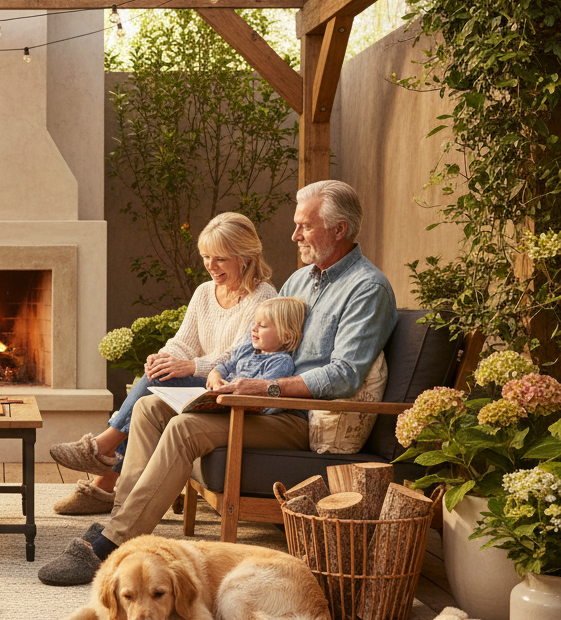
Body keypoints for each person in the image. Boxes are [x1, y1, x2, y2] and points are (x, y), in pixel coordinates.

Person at [39, 180, 398, 586]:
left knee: (184, 427)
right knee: (149, 407)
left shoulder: (367, 289)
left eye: (305, 226)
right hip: (258, 403)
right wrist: (223, 375)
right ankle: (126, 527)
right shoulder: (300, 282)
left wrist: (266, 389)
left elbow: (345, 374)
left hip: (297, 418)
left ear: (340, 230)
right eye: (296, 225)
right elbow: (251, 344)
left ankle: (108, 543)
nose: (294, 235)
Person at [49, 212, 276, 514]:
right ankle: (103, 484)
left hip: (229, 387)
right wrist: (164, 357)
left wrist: (191, 368)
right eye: (206, 257)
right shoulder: (205, 293)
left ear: (245, 257)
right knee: (157, 377)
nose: (210, 266)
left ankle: (101, 451)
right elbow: (184, 342)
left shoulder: (263, 297)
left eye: (220, 259)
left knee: (160, 381)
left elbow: (238, 358)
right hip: (202, 380)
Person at [205, 297, 305, 415]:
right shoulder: (247, 349)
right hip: (222, 402)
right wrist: (215, 374)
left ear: (285, 336)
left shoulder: (280, 362)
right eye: (254, 323)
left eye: (262, 325)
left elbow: (263, 398)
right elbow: (226, 367)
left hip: (242, 413)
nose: (253, 329)